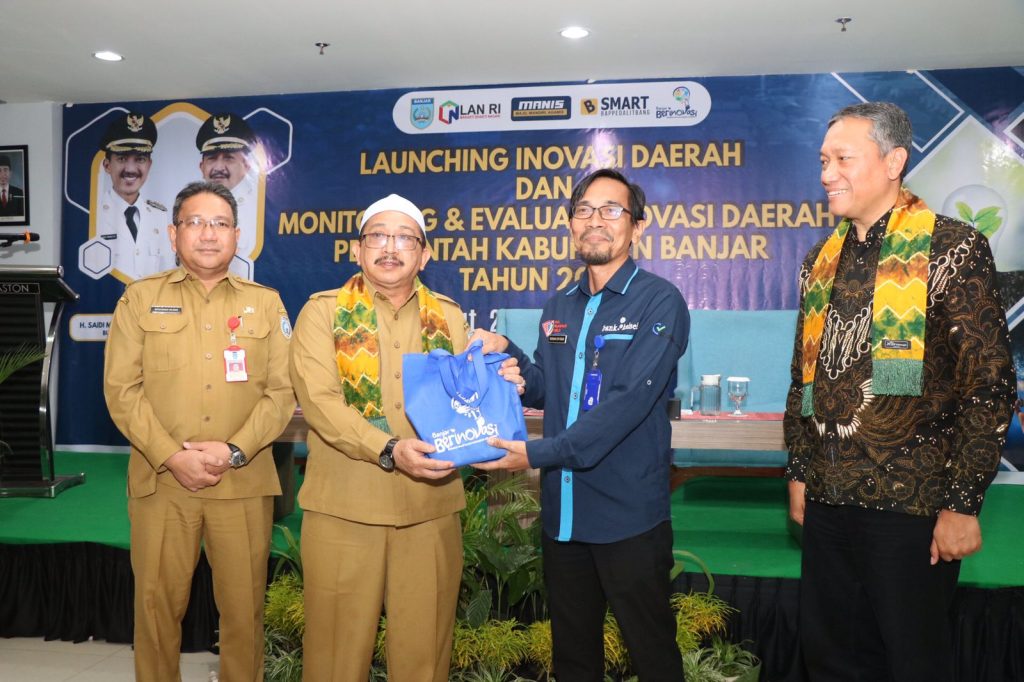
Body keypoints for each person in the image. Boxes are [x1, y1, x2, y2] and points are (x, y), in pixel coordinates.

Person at [784, 101, 1016, 681]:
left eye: (843, 159)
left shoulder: (952, 248)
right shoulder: (819, 262)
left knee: (912, 663)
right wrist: (799, 471)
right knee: (829, 661)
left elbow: (989, 385)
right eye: (823, 160)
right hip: (828, 503)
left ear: (893, 162)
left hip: (912, 510)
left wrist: (962, 503)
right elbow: (803, 380)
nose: (827, 174)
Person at [472, 168, 690, 680]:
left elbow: (627, 403)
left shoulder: (659, 301)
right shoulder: (559, 306)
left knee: (653, 656)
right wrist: (509, 357)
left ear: (637, 227)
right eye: (584, 211)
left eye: (611, 210)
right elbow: (547, 387)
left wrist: (536, 453)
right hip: (564, 519)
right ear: (571, 225)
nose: (595, 220)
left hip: (628, 519)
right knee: (573, 659)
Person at [290, 193, 518, 681]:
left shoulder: (450, 318)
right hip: (344, 507)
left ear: (424, 255)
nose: (390, 248)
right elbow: (320, 404)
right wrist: (389, 449)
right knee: (334, 656)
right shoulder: (322, 313)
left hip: (429, 509)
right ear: (357, 250)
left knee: (424, 656)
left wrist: (501, 380)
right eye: (378, 236)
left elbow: (467, 399)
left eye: (405, 239)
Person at [103, 181, 295, 681]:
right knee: (156, 611)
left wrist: (234, 450)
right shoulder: (140, 299)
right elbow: (122, 390)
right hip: (163, 483)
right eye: (195, 223)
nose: (208, 234)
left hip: (242, 481)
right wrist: (172, 456)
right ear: (173, 234)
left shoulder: (266, 304)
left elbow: (282, 394)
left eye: (220, 224)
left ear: (237, 236)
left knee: (245, 615)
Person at [96, 112, 176, 279]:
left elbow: (168, 272)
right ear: (107, 165)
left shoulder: (159, 216)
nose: (131, 169)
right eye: (122, 159)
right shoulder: (92, 216)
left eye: (140, 159)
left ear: (149, 165)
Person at [196, 112, 260, 278]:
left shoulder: (260, 211)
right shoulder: (188, 211)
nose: (219, 167)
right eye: (212, 158)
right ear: (202, 166)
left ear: (246, 165)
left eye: (228, 158)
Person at [0, 154, 26, 219]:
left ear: (10, 173)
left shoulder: (19, 193)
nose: (2, 174)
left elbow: (22, 217)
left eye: (5, 170)